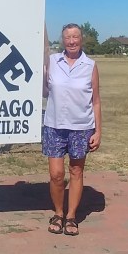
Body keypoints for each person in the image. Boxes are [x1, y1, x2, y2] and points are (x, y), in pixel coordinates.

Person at [42, 23, 102, 236]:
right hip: (54, 126)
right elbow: (43, 90)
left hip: (81, 127)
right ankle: (58, 212)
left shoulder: (90, 65)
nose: (71, 41)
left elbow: (96, 100)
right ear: (62, 40)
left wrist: (98, 131)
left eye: (75, 37)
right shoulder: (52, 62)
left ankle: (71, 216)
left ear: (81, 39)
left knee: (76, 171)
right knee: (56, 174)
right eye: (67, 37)